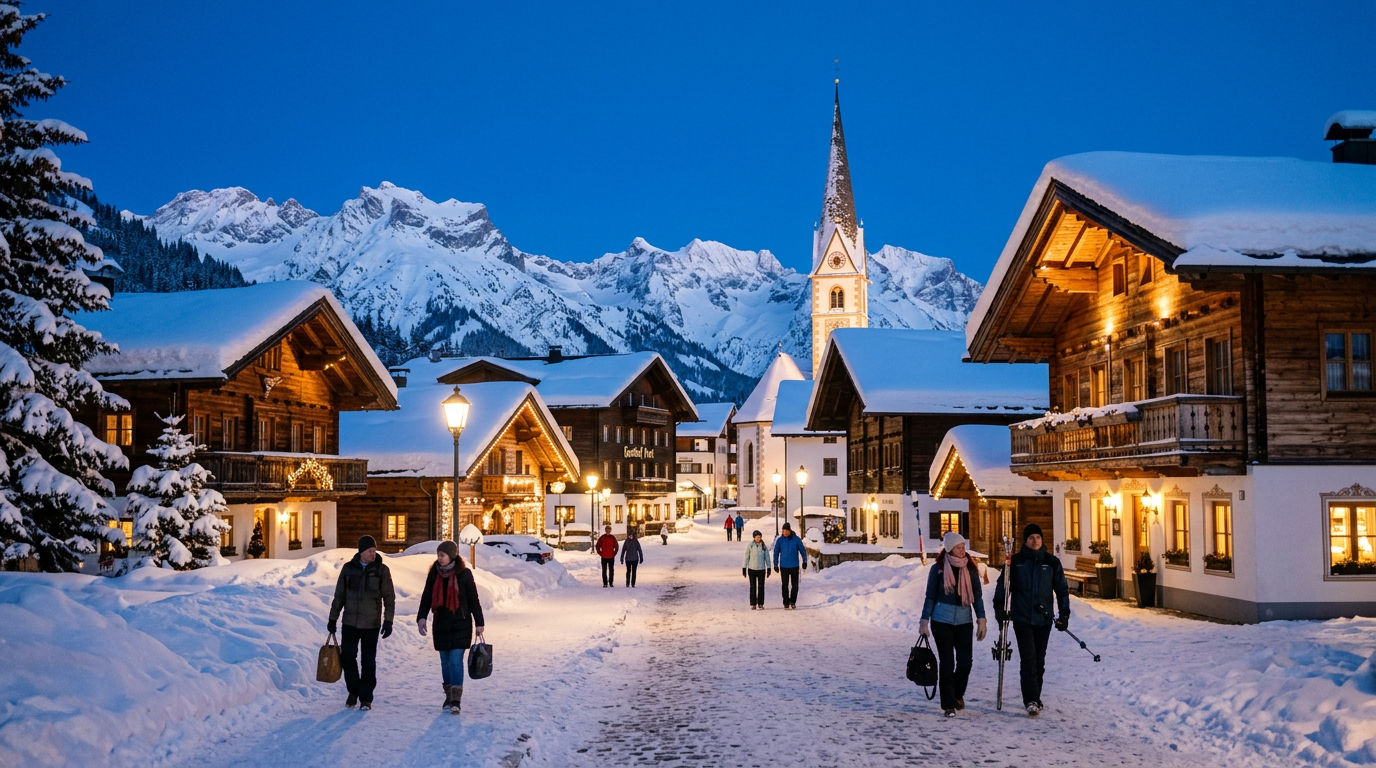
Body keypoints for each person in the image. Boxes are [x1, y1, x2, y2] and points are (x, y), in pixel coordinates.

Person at [993, 523, 1071, 717]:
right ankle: (1031, 700)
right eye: (1031, 538)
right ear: (1025, 541)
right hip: (1022, 618)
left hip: (1043, 620)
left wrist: (1064, 615)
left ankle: (1035, 696)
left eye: (1038, 537)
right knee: (1028, 659)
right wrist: (999, 608)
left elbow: (1061, 590)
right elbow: (1003, 587)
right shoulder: (1016, 562)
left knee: (1039, 660)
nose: (1035, 541)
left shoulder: (1051, 562)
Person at [919, 532, 988, 717]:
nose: (962, 550)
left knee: (965, 662)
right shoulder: (938, 569)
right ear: (949, 549)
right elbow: (930, 596)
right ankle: (948, 704)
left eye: (963, 546)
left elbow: (978, 597)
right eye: (959, 547)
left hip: (964, 621)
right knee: (947, 662)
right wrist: (924, 621)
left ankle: (957, 693)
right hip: (942, 621)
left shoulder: (971, 569)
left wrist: (982, 619)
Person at [327, 535, 396, 711]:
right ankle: (353, 690)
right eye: (370, 551)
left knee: (368, 661)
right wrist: (333, 618)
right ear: (361, 552)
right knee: (348, 657)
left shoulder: (382, 570)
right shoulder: (348, 569)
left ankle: (366, 698)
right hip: (350, 622)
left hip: (371, 624)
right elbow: (339, 595)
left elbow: (389, 597)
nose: (374, 554)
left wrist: (388, 621)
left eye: (374, 550)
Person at [417, 540, 485, 715]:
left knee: (455, 661)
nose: (439, 558)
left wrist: (479, 622)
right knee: (445, 662)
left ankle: (456, 699)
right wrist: (422, 617)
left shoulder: (464, 574)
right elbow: (426, 597)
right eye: (438, 555)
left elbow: (473, 599)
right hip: (441, 624)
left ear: (451, 555)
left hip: (460, 623)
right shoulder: (434, 574)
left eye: (442, 555)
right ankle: (448, 695)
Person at [772, 522, 807, 609]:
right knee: (785, 585)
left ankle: (793, 601)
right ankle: (786, 602)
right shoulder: (780, 540)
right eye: (783, 531)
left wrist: (804, 561)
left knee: (795, 586)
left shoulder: (796, 539)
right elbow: (776, 552)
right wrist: (775, 564)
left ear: (789, 530)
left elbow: (803, 551)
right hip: (784, 567)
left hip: (794, 566)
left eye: (786, 530)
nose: (784, 532)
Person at [742, 530, 771, 609]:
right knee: (753, 587)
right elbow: (746, 557)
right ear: (754, 537)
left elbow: (767, 557)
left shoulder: (763, 546)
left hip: (761, 569)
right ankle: (753, 604)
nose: (759, 538)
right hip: (752, 569)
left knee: (761, 587)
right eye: (757, 537)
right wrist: (744, 568)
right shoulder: (750, 545)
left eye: (760, 537)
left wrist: (769, 567)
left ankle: (761, 603)